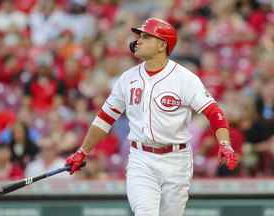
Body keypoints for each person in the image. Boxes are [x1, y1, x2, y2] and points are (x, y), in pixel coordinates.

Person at [65, 17, 238, 216]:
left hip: (177, 159)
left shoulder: (185, 78)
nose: (138, 40)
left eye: (146, 36)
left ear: (162, 45)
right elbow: (104, 118)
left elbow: (213, 112)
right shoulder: (127, 78)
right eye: (139, 36)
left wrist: (224, 143)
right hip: (141, 158)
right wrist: (83, 151)